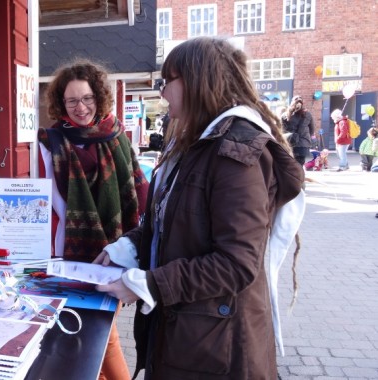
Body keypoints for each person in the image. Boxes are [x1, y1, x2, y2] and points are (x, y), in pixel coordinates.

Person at [93, 37, 305, 379]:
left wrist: (148, 284)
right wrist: (130, 245)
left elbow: (236, 263)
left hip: (220, 348)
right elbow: (174, 220)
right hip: (192, 335)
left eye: (167, 82)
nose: (162, 93)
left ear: (195, 80)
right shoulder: (195, 142)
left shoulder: (236, 154)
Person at [37, 59, 149, 380]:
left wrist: (151, 234)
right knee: (86, 333)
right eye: (72, 100)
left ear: (98, 97)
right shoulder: (50, 141)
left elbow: (140, 192)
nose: (80, 107)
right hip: (64, 252)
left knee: (101, 334)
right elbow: (40, 198)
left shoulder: (116, 136)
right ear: (61, 103)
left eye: (86, 98)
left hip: (112, 251)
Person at [282, 95, 315, 165]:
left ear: (291, 103)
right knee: (299, 166)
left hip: (289, 143)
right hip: (303, 144)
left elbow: (281, 130)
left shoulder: (285, 115)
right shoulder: (308, 114)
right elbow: (312, 130)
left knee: (289, 165)